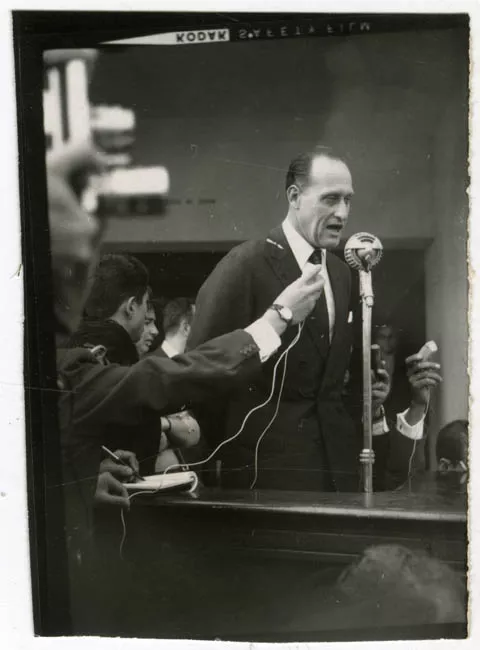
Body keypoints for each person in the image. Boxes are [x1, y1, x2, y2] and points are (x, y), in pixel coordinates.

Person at [188, 147, 422, 491]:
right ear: (294, 197)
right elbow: (201, 370)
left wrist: (367, 395)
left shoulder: (341, 274)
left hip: (336, 469)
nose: (342, 212)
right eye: (330, 199)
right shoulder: (246, 264)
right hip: (266, 474)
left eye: (348, 200)